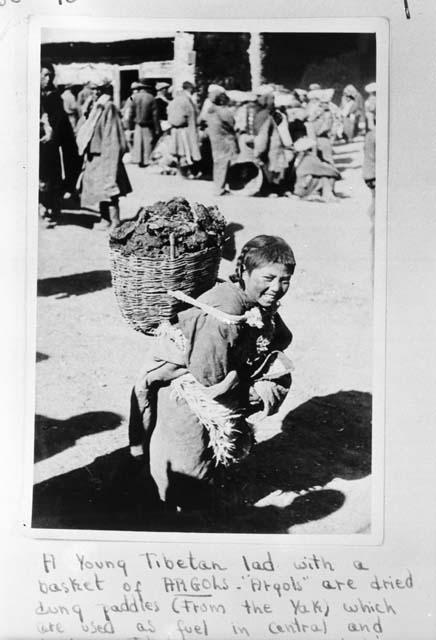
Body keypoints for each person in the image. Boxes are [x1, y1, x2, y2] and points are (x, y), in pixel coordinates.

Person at [128, 235, 296, 511]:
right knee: (185, 480)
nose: (277, 288)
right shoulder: (225, 312)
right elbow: (210, 378)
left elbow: (280, 337)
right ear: (244, 271)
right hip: (186, 398)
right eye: (268, 278)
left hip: (204, 389)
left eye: (285, 279)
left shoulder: (254, 302)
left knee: (199, 472)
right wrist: (246, 381)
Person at [77, 80, 132, 229]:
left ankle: (114, 221)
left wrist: (110, 157)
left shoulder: (109, 107)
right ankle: (105, 219)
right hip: (94, 154)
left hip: (106, 154)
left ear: (104, 90)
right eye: (93, 90)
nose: (95, 93)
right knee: (99, 189)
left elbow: (112, 135)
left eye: (98, 90)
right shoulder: (96, 108)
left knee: (109, 186)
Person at [39, 61, 80, 226]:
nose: (48, 79)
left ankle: (53, 210)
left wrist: (53, 134)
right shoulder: (32, 94)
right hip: (36, 144)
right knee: (39, 179)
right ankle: (42, 207)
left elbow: (60, 121)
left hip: (51, 145)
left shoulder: (55, 96)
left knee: (52, 179)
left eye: (50, 75)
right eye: (44, 75)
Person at [204, 90, 238, 195]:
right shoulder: (223, 111)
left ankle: (218, 185)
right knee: (224, 163)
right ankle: (220, 188)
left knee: (218, 162)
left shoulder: (210, 111)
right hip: (225, 139)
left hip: (215, 139)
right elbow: (232, 123)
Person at [167, 80, 201, 177]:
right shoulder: (186, 100)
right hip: (185, 130)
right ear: (190, 89)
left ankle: (183, 171)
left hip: (176, 129)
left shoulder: (176, 99)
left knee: (180, 151)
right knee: (185, 151)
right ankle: (186, 173)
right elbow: (190, 117)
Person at [291, 136, 341, 202]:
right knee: (325, 177)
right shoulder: (309, 158)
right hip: (302, 189)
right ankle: (328, 195)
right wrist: (337, 173)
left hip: (297, 187)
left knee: (321, 175)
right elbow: (329, 171)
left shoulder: (299, 157)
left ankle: (324, 194)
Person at [129, 81, 161, 167]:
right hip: (148, 124)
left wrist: (130, 125)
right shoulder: (151, 98)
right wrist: (157, 128)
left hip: (137, 124)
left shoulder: (134, 98)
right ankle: (147, 160)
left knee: (138, 142)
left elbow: (131, 113)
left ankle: (138, 159)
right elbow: (155, 115)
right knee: (148, 143)